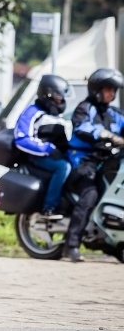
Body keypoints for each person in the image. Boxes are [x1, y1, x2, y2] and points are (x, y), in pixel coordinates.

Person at [64, 68, 124, 262]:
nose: (112, 94)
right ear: (96, 89)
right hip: (83, 160)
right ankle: (71, 245)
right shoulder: (84, 108)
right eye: (108, 89)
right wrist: (107, 135)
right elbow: (82, 127)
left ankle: (112, 241)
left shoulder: (113, 112)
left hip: (106, 161)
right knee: (90, 195)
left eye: (114, 90)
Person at [13, 75, 72, 220]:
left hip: (55, 154)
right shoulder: (32, 112)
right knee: (63, 167)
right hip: (36, 157)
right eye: (58, 97)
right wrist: (47, 149)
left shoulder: (56, 115)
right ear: (47, 95)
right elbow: (22, 139)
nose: (61, 100)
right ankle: (49, 207)